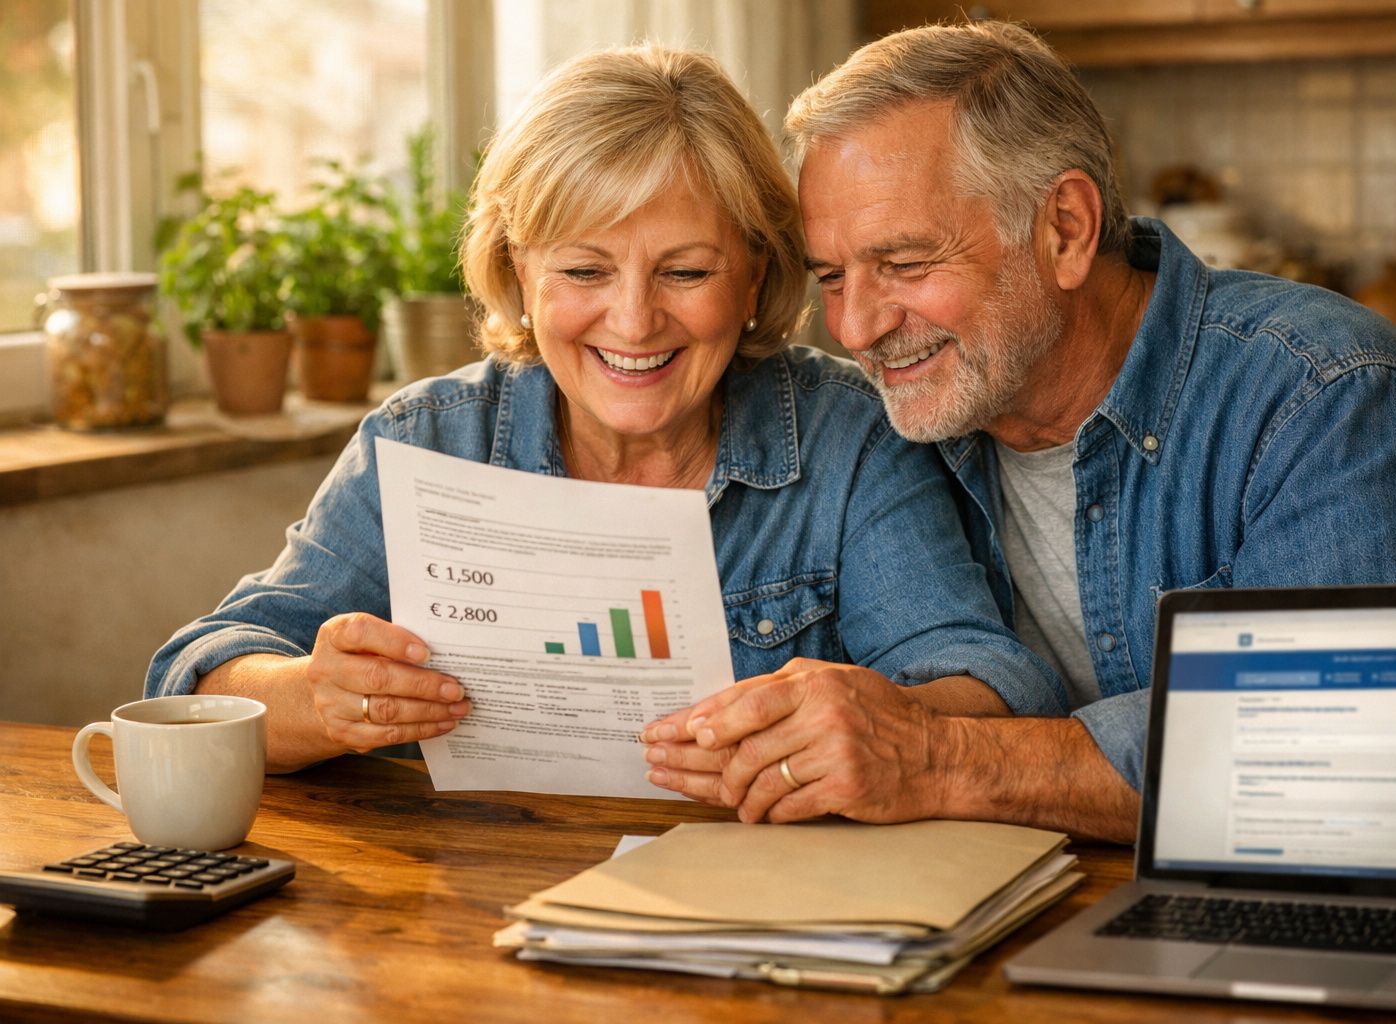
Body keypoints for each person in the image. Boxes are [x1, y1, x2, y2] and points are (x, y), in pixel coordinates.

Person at [639, 21, 1396, 841]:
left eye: (904, 263)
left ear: (1065, 229)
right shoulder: (890, 424)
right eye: (832, 276)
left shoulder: (1322, 391)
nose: (856, 327)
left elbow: (1335, 754)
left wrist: (936, 758)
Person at [144, 44, 1064, 774]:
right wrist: (313, 696)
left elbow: (989, 682)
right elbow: (197, 675)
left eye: (685, 272)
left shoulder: (846, 436)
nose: (633, 321)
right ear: (518, 273)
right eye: (584, 271)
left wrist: (885, 722)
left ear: (755, 274)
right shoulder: (428, 440)